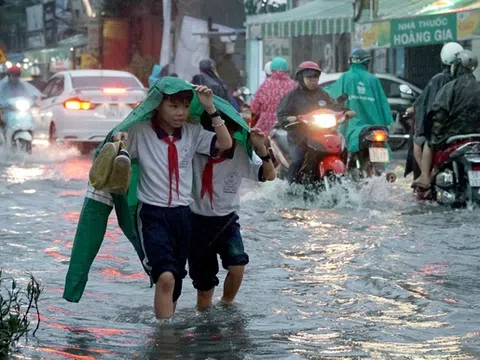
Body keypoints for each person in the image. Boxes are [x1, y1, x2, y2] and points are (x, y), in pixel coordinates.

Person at [113, 82, 233, 319]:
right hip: (152, 214)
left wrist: (211, 109)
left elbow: (225, 144)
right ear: (158, 105)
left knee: (175, 282)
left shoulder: (192, 131)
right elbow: (117, 152)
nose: (180, 112)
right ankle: (164, 341)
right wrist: (119, 142)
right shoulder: (140, 131)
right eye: (174, 106)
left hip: (182, 215)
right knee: (165, 276)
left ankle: (168, 335)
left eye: (186, 106)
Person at [189, 118, 276, 310]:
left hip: (227, 221)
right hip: (196, 223)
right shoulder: (193, 150)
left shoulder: (239, 152)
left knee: (237, 266)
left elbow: (269, 175)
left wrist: (261, 148)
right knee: (204, 288)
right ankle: (204, 322)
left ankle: (227, 306)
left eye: (227, 132)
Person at [277, 61, 355, 184]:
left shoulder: (322, 94)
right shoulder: (292, 96)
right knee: (297, 160)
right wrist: (290, 118)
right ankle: (290, 188)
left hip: (321, 134)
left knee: (342, 148)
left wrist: (347, 111)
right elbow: (281, 115)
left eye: (315, 78)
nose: (313, 81)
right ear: (301, 78)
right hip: (299, 136)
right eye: (309, 78)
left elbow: (334, 106)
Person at [413, 50, 480, 189]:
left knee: (428, 143)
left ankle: (425, 176)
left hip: (453, 134)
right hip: (476, 134)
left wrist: (434, 134)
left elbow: (439, 115)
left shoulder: (449, 88)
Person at [409, 42, 463, 189]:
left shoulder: (439, 79)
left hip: (445, 128)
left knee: (422, 141)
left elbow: (427, 103)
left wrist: (414, 108)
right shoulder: (467, 80)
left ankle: (426, 176)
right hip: (463, 127)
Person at [324, 48, 392, 156]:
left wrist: (316, 96)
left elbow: (332, 93)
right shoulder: (373, 79)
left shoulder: (347, 77)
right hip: (374, 125)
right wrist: (387, 120)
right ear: (367, 62)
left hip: (352, 125)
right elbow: (382, 102)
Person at [250, 57, 296, 135]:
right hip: (286, 126)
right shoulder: (293, 85)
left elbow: (254, 108)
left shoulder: (265, 85)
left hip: (265, 126)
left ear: (271, 69)